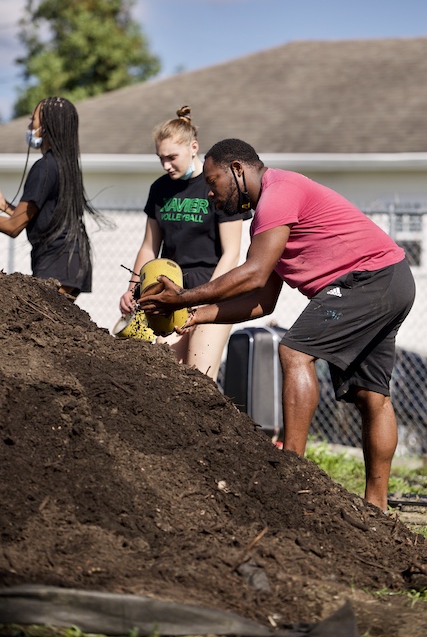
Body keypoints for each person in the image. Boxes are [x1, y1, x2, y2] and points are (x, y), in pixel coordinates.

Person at [139, 138, 416, 514]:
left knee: (293, 350)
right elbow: (261, 300)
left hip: (368, 280)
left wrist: (186, 297)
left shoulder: (278, 194)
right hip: (392, 278)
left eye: (213, 180)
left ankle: (294, 472)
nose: (209, 193)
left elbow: (251, 275)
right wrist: (195, 315)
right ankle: (377, 506)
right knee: (372, 395)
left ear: (238, 169)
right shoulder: (270, 216)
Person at [119, 107, 251, 380]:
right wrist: (132, 289)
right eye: (161, 158)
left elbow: (231, 254)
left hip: (213, 289)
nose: (166, 165)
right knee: (166, 376)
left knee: (199, 378)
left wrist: (206, 299)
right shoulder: (160, 189)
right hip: (170, 290)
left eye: (172, 157)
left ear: (193, 147)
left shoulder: (218, 186)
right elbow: (149, 247)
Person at [0, 96, 100, 300]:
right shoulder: (64, 165)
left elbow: (13, 227)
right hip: (71, 261)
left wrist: (10, 217)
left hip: (57, 261)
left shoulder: (44, 167)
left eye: (33, 120)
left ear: (46, 126)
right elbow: (41, 216)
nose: (29, 126)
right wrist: (5, 206)